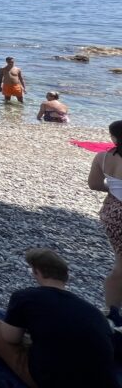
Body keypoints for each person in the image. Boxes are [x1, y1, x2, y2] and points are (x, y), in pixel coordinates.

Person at [0, 248, 119, 388]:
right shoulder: (92, 311)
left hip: (51, 379)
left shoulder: (25, 296)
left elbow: (10, 338)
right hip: (101, 382)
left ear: (37, 272)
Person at [88, 119, 122, 325]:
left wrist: (115, 189)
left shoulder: (103, 157)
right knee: (120, 267)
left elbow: (94, 184)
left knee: (120, 262)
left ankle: (113, 310)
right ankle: (112, 312)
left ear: (114, 137)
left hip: (112, 212)